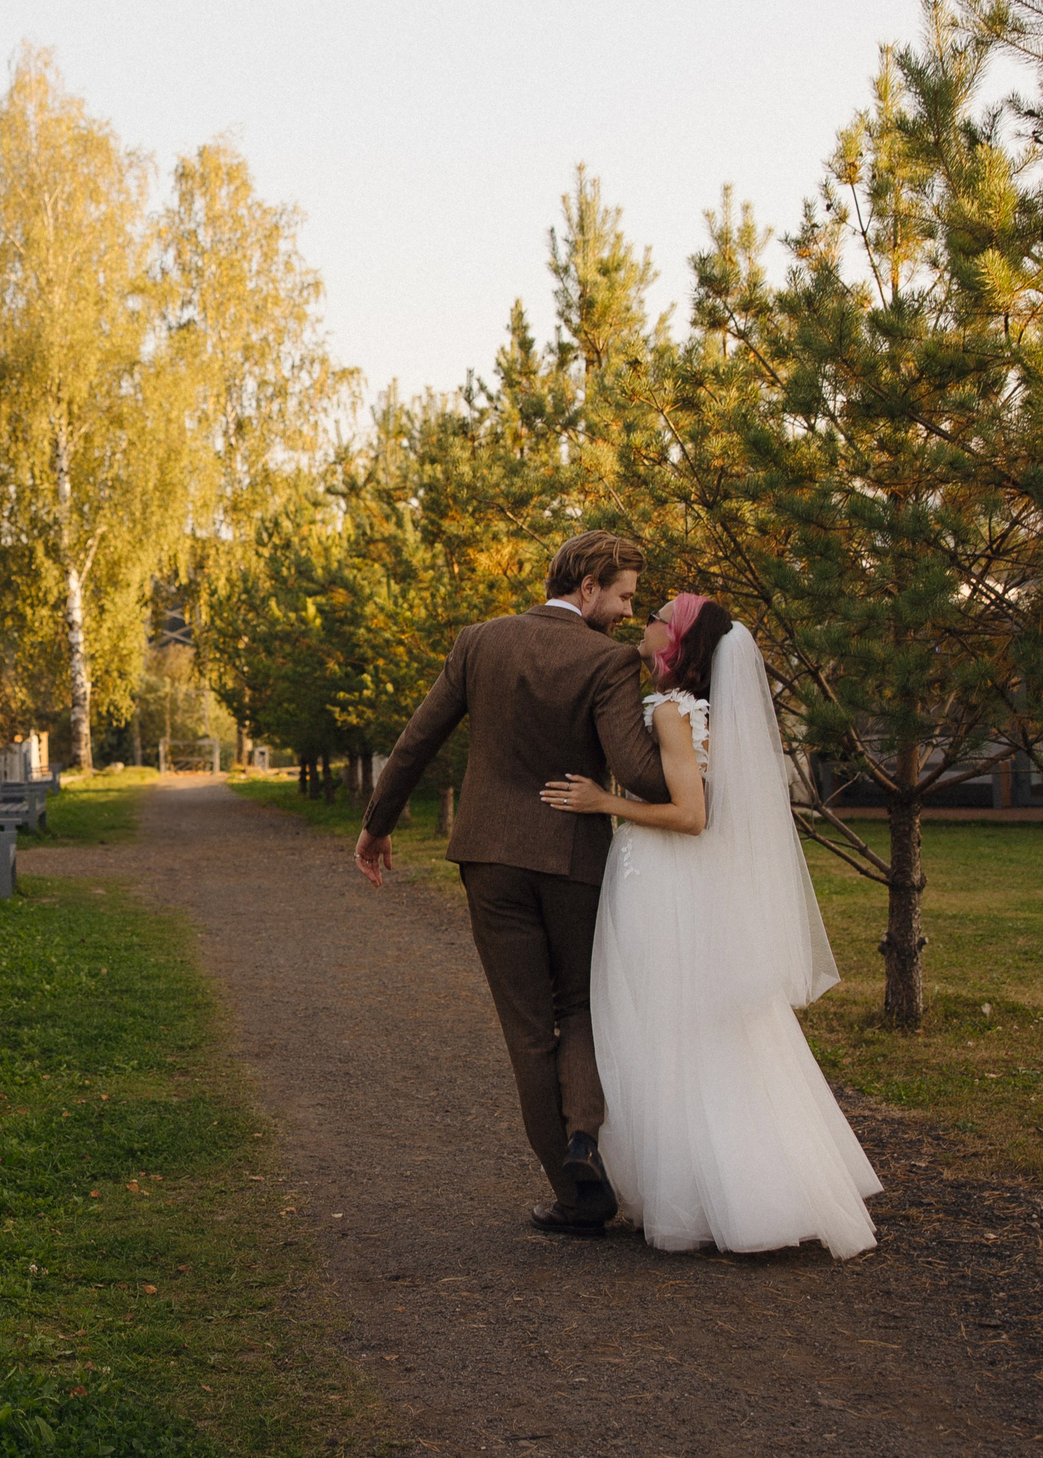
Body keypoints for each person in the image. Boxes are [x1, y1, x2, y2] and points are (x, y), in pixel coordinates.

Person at [540, 593, 880, 1258]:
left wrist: (603, 800)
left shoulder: (672, 712)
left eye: (659, 618)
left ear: (679, 641)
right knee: (711, 1034)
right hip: (692, 886)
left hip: (665, 881)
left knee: (664, 1029)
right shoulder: (713, 715)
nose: (647, 624)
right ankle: (757, 1187)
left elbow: (691, 816)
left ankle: (700, 1196)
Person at [356, 530, 671, 1236]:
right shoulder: (610, 662)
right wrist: (694, 744)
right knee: (581, 1007)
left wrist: (378, 824)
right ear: (587, 586)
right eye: (621, 596)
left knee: (528, 1031)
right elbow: (644, 776)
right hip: (572, 862)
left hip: (489, 859)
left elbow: (418, 739)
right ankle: (584, 1136)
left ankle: (573, 1194)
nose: (627, 613)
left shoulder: (479, 642)